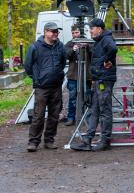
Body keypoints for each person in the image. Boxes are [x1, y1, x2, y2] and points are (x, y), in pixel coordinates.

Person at [71, 18, 117, 151]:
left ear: (99, 29)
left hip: (104, 80)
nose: (90, 31)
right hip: (98, 79)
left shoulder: (106, 39)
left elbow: (113, 49)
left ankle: (105, 141)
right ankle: (88, 140)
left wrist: (106, 60)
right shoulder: (99, 41)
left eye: (92, 28)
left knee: (104, 111)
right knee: (94, 109)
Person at [24, 22, 66, 152]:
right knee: (38, 115)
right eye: (53, 31)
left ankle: (49, 140)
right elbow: (28, 66)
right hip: (42, 87)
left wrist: (58, 76)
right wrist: (37, 78)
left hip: (56, 86)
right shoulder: (35, 47)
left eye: (57, 32)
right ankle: (33, 142)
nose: (55, 34)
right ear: (45, 32)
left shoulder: (60, 46)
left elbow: (63, 62)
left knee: (54, 115)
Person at [64, 25, 92, 126]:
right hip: (73, 76)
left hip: (86, 76)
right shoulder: (69, 44)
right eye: (73, 33)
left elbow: (94, 53)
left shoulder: (89, 42)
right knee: (72, 97)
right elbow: (65, 55)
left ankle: (87, 118)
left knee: (87, 97)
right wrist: (73, 49)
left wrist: (87, 46)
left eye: (77, 32)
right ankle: (71, 117)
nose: (75, 35)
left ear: (80, 32)